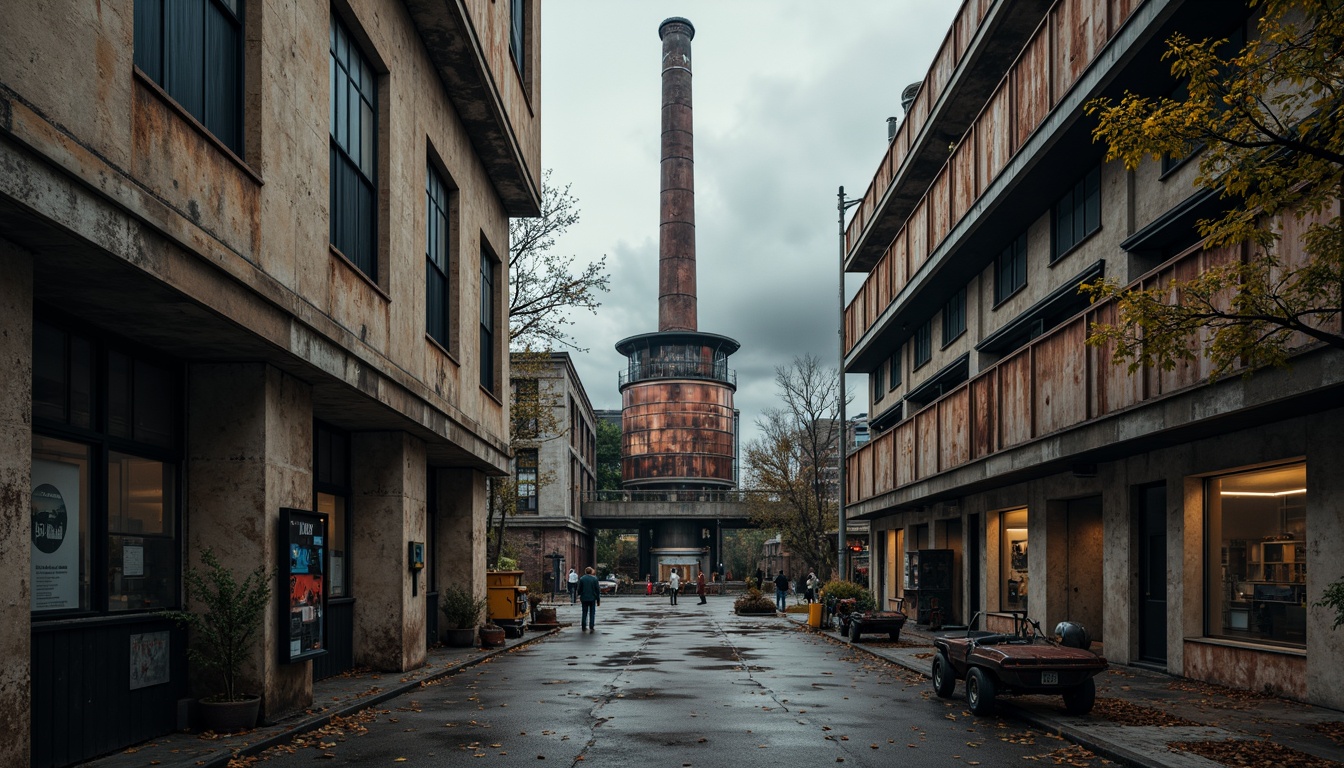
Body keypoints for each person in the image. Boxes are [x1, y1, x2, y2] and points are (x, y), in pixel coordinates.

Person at [577, 566, 601, 632]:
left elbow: (579, 589)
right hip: (592, 598)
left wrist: (579, 594)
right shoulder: (595, 579)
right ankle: (591, 625)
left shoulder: (582, 579)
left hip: (584, 598)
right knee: (592, 612)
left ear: (585, 572)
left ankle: (583, 626)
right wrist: (598, 599)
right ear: (591, 572)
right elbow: (597, 590)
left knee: (584, 612)